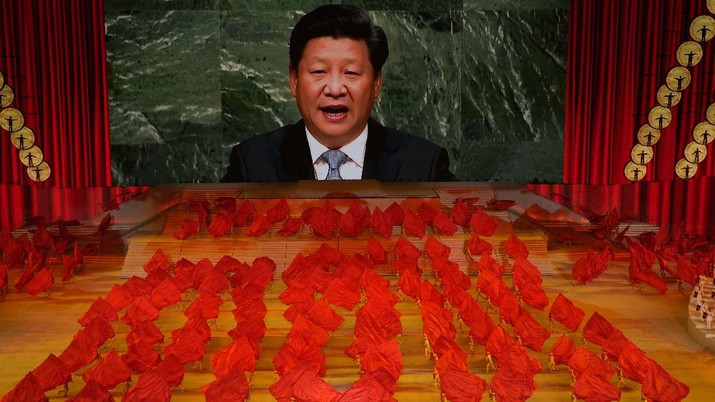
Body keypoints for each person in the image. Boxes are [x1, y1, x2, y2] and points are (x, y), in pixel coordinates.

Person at [221, 5, 454, 183]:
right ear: (293, 80)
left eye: (351, 72)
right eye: (319, 71)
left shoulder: (424, 166)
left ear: (376, 83)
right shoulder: (251, 165)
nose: (334, 89)